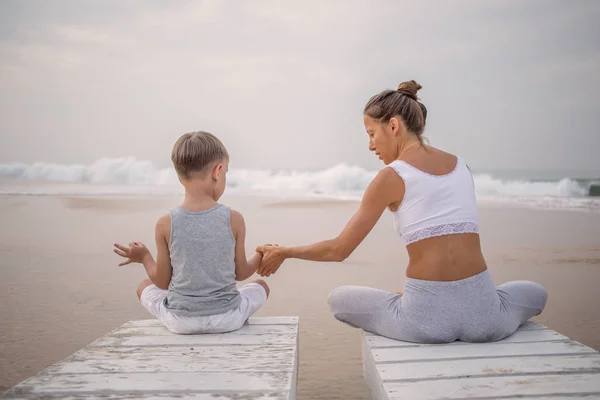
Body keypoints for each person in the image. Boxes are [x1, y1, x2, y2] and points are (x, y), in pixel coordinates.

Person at [256, 80, 548, 344]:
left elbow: (338, 250)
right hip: (486, 319)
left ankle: (410, 302)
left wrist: (285, 252)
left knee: (339, 301)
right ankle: (456, 303)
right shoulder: (462, 166)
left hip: (425, 323)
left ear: (393, 126)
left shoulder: (390, 177)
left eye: (371, 134)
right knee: (535, 292)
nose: (370, 146)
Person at [113, 131, 269, 335]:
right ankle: (235, 316)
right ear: (218, 171)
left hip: (180, 321)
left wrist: (144, 257)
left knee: (144, 285)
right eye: (226, 173)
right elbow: (241, 273)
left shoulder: (165, 224)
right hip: (228, 319)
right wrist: (260, 255)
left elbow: (161, 281)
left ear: (179, 176)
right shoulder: (234, 219)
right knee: (260, 286)